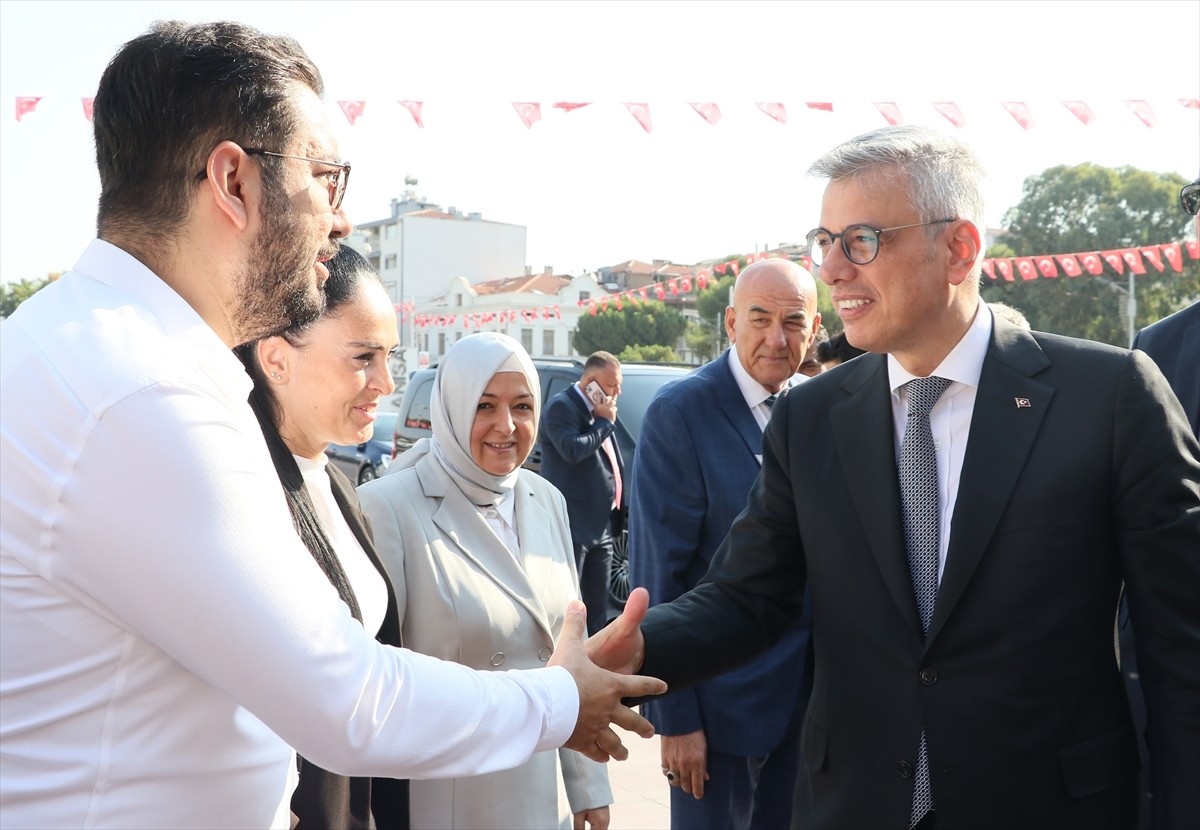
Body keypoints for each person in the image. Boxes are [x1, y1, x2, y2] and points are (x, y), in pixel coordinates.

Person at [0, 21, 662, 828]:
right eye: (326, 178)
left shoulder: (82, 343)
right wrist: (560, 699)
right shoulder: (142, 392)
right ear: (233, 181)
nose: (341, 222)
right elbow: (350, 702)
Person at [590, 125, 1200, 830]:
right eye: (824, 243)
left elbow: (1182, 652)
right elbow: (746, 597)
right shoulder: (810, 419)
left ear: (959, 248)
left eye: (862, 241)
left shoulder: (1111, 397)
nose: (834, 270)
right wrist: (636, 645)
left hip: (1049, 805)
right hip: (853, 804)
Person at [358, 332, 613, 830]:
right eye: (484, 406)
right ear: (452, 407)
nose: (506, 426)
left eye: (522, 406)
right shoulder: (390, 507)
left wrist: (588, 787)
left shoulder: (546, 500)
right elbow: (374, 685)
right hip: (452, 798)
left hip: (543, 795)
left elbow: (568, 651)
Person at [628, 258, 820, 830]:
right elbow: (658, 576)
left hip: (811, 704)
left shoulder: (819, 407)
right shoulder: (681, 413)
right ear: (731, 321)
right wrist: (676, 717)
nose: (775, 337)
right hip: (717, 705)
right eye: (759, 319)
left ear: (813, 332)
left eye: (793, 322)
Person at [234, 245, 407, 828]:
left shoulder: (336, 484)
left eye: (390, 358)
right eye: (364, 357)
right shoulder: (244, 491)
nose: (385, 382)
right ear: (276, 358)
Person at [540, 351, 626, 635]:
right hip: (574, 523)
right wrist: (604, 422)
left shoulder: (602, 411)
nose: (617, 392)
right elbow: (573, 450)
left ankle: (597, 661)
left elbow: (611, 460)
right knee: (571, 604)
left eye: (618, 385)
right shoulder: (561, 407)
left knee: (597, 604)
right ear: (591, 382)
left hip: (601, 524)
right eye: (612, 385)